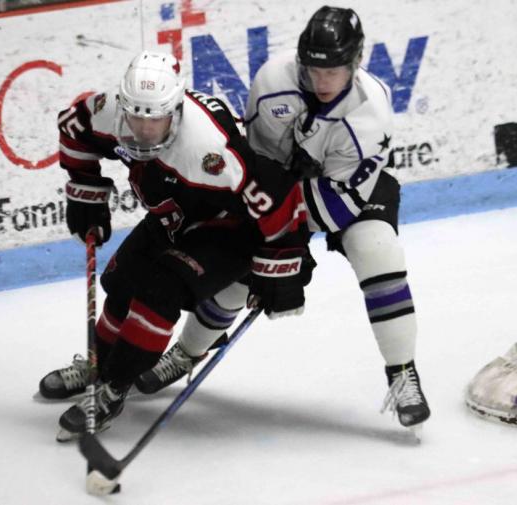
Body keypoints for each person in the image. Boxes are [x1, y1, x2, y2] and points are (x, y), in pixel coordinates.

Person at [136, 6, 430, 431]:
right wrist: (274, 247)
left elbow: (336, 205)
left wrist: (289, 250)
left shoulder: (372, 114)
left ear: (356, 62)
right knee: (241, 268)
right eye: (313, 69)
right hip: (276, 187)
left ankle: (402, 372)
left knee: (377, 250)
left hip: (343, 191)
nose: (322, 81)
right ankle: (188, 351)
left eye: (334, 71)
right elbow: (255, 165)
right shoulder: (274, 81)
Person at [38, 50, 312, 441]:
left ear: (177, 110)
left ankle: (114, 388)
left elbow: (279, 199)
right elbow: (73, 126)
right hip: (172, 215)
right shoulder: (107, 111)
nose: (143, 130)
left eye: (155, 120)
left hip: (229, 228)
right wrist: (85, 191)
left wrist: (284, 264)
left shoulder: (212, 150)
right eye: (135, 117)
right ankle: (100, 363)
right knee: (122, 283)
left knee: (158, 294)